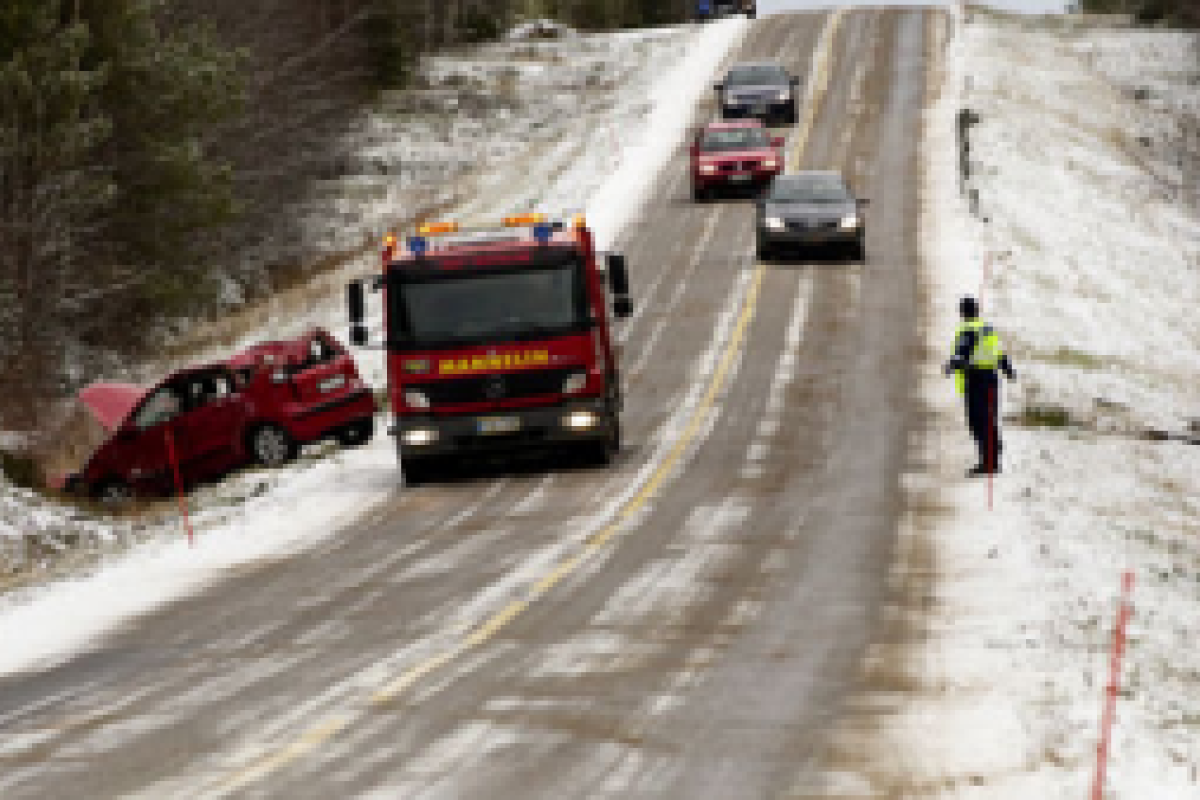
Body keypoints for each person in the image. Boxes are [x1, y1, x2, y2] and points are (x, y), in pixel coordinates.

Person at [944, 296, 1016, 476]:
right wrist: (1007, 368)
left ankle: (989, 462)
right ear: (977, 311)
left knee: (977, 421)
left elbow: (962, 353)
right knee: (989, 417)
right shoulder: (988, 329)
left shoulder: (967, 330)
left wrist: (951, 365)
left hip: (976, 380)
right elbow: (998, 351)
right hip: (991, 378)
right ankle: (992, 454)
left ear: (963, 313)